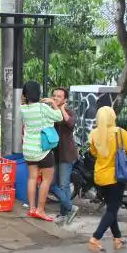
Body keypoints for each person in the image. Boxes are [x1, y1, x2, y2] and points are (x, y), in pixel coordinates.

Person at [86, 106, 127, 253]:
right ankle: (95, 239)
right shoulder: (120, 133)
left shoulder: (94, 134)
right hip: (116, 177)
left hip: (100, 176)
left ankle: (118, 238)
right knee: (112, 210)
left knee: (111, 208)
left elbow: (94, 153)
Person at [20, 80, 63, 222]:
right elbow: (59, 117)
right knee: (46, 180)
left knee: (32, 178)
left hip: (28, 150)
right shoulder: (43, 108)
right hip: (42, 150)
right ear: (38, 93)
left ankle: (32, 209)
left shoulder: (23, 109)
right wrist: (53, 102)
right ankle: (41, 210)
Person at [46, 87, 79, 224]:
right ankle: (70, 208)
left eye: (59, 96)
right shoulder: (50, 112)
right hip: (54, 154)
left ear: (65, 99)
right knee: (52, 184)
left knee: (64, 185)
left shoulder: (69, 112)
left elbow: (70, 123)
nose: (55, 98)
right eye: (54, 96)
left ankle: (64, 213)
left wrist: (62, 108)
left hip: (67, 154)